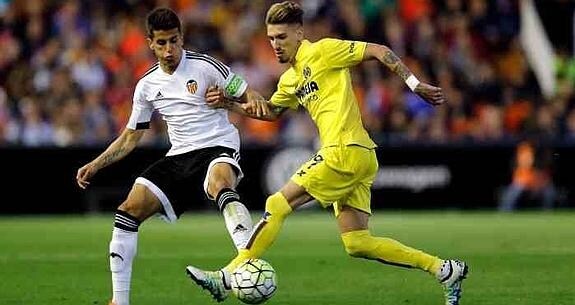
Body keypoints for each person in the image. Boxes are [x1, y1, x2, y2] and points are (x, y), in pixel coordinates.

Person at [185, 2, 468, 305]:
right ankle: (443, 269)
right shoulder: (290, 79)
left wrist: (414, 84)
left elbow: (377, 50)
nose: (275, 45)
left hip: (344, 150)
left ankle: (226, 277)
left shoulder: (324, 50)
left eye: (281, 37)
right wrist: (228, 104)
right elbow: (271, 112)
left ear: (299, 32)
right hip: (357, 155)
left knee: (277, 203)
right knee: (357, 242)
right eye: (271, 38)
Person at [75, 8, 255, 305]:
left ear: (182, 37)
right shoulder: (146, 85)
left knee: (220, 184)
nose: (169, 49)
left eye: (174, 41)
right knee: (128, 209)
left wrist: (228, 100)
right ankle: (119, 301)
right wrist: (96, 164)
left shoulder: (207, 66)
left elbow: (252, 97)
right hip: (179, 155)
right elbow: (131, 136)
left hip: (217, 144)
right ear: (150, 43)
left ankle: (247, 261)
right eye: (162, 43)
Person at [498, 139, 557, 211]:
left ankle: (547, 213)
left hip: (539, 184)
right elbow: (521, 172)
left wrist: (538, 185)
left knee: (549, 191)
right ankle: (505, 211)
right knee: (513, 192)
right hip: (523, 183)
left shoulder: (543, 155)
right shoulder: (524, 150)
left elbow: (545, 177)